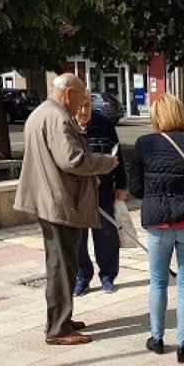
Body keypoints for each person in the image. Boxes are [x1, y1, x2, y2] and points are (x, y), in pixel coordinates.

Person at [13, 74, 118, 346]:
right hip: (59, 202)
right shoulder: (57, 117)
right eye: (80, 97)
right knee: (61, 268)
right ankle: (58, 329)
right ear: (68, 92)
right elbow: (72, 160)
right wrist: (105, 162)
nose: (82, 103)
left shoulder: (41, 113)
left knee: (62, 265)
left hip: (52, 200)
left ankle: (61, 319)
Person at [128, 93, 184, 364]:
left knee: (157, 281)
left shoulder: (145, 144)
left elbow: (136, 188)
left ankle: (156, 339)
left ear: (156, 117)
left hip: (158, 224)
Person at [73, 99, 127, 296]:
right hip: (76, 193)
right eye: (80, 106)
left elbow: (117, 155)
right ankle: (82, 276)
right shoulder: (65, 124)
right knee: (77, 237)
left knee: (106, 235)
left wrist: (121, 184)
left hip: (103, 190)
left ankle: (108, 276)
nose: (84, 110)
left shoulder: (103, 123)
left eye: (87, 105)